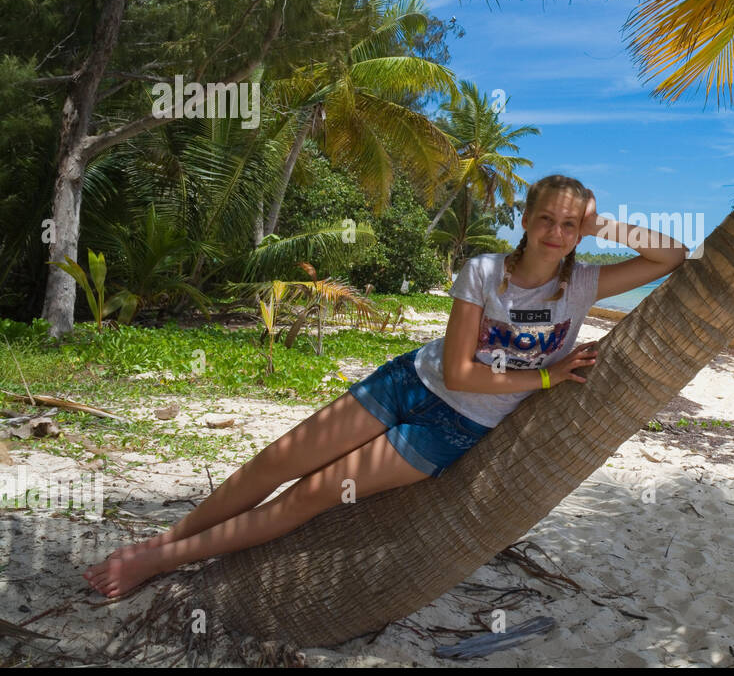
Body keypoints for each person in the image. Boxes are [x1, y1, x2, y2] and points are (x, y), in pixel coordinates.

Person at [83, 174, 688, 598]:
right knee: (277, 461)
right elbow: (459, 371)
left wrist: (601, 221)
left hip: (454, 426)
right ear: (525, 221)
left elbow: (674, 256)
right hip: (411, 382)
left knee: (309, 494)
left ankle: (159, 560)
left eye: (570, 224)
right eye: (546, 219)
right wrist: (547, 375)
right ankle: (164, 540)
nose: (556, 232)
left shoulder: (582, 285)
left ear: (580, 232)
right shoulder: (483, 271)